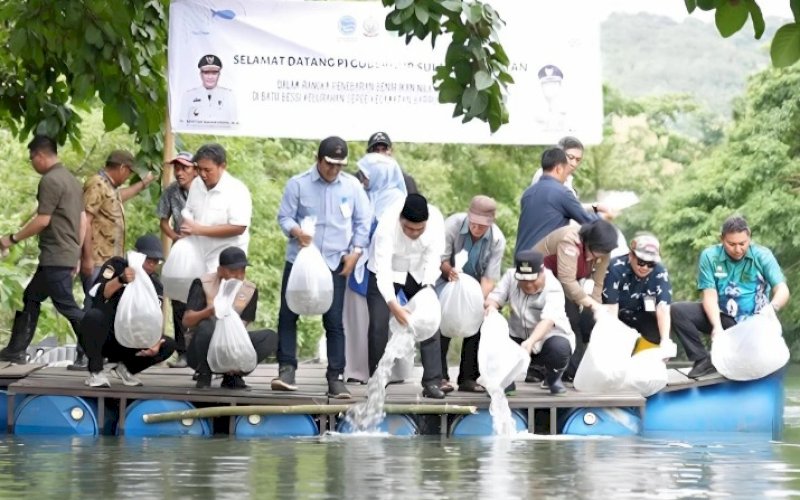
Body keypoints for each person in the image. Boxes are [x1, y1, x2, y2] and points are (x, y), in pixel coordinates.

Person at [272, 136, 371, 398]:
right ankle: (286, 369)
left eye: (340, 165)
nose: (334, 170)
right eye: (330, 164)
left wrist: (356, 253)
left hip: (335, 261)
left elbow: (363, 222)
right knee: (288, 314)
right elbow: (284, 217)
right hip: (300, 260)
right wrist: (295, 231)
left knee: (334, 320)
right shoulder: (298, 184)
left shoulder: (352, 187)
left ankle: (335, 377)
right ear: (319, 160)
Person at [0, 136, 86, 364]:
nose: (32, 164)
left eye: (31, 159)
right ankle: (15, 350)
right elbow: (82, 220)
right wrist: (77, 251)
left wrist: (12, 239)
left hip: (55, 254)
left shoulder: (50, 180)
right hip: (65, 252)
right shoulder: (72, 180)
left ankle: (94, 349)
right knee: (32, 297)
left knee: (67, 306)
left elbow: (43, 220)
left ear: (40, 155)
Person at [672, 215, 790, 378]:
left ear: (749, 238)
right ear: (722, 239)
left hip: (753, 323)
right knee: (677, 311)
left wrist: (771, 309)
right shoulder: (710, 256)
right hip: (724, 317)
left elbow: (782, 289)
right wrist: (717, 326)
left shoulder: (762, 255)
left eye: (742, 243)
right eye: (731, 244)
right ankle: (703, 360)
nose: (738, 249)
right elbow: (709, 294)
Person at [366, 193, 447, 399]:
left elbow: (433, 259)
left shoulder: (436, 221)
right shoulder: (386, 225)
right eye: (409, 228)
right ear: (401, 220)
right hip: (387, 271)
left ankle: (432, 381)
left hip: (418, 272)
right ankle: (377, 382)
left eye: (419, 229)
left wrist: (428, 288)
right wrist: (394, 306)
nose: (414, 233)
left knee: (430, 320)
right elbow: (382, 270)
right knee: (378, 323)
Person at [79, 235, 177, 388]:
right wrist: (121, 280)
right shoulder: (117, 265)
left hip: (132, 340)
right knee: (93, 317)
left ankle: (126, 368)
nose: (151, 264)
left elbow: (154, 318)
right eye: (148, 259)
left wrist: (154, 342)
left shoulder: (155, 285)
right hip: (106, 336)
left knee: (168, 344)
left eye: (155, 261)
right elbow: (99, 294)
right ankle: (96, 371)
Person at [344, 150, 407, 384]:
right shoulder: (365, 195)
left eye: (367, 174)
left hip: (388, 268)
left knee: (382, 322)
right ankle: (357, 370)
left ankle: (384, 373)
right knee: (359, 321)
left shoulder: (396, 200)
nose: (363, 179)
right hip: (362, 266)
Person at [182, 247, 277, 389]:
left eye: (242, 271)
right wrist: (208, 312)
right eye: (233, 271)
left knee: (269, 337)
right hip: (200, 350)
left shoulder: (249, 290)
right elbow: (187, 320)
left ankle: (233, 375)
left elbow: (242, 328)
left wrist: (233, 354)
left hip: (230, 346)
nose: (238, 276)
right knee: (207, 325)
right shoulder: (203, 283)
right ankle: (204, 373)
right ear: (220, 270)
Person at [534, 219, 618, 380]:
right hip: (541, 281)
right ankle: (572, 372)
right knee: (571, 320)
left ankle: (580, 367)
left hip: (563, 284)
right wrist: (590, 303)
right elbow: (567, 281)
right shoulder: (570, 241)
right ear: (589, 241)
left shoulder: (604, 251)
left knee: (589, 321)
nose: (599, 256)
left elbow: (598, 283)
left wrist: (595, 310)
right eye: (596, 252)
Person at [438, 195, 506, 393]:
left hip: (475, 286)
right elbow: (440, 259)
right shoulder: (452, 225)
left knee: (479, 320)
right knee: (441, 321)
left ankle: (468, 377)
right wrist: (449, 271)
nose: (476, 229)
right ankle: (439, 376)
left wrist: (477, 303)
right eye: (474, 224)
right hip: (446, 279)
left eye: (482, 226)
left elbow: (489, 277)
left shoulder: (496, 239)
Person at [485, 249, 574, 395]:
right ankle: (506, 382)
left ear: (542, 273)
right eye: (523, 279)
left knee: (559, 348)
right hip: (517, 334)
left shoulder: (553, 286)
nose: (527, 284)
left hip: (546, 338)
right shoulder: (510, 276)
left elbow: (548, 320)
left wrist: (531, 342)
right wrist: (491, 309)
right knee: (491, 333)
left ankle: (553, 379)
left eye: (532, 280)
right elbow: (494, 299)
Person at [82, 150, 155, 307]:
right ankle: (87, 331)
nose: (128, 177)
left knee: (106, 302)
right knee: (94, 300)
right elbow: (85, 221)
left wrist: (144, 183)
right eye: (129, 172)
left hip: (109, 260)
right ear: (122, 168)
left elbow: (119, 197)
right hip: (97, 259)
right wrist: (87, 258)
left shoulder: (109, 187)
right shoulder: (97, 184)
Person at [156, 151, 198, 368]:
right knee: (178, 299)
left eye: (185, 168)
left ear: (195, 170)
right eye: (177, 168)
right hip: (181, 249)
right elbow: (163, 220)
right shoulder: (171, 191)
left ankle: (200, 352)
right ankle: (183, 352)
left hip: (202, 249)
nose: (180, 172)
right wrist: (175, 236)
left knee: (201, 297)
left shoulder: (204, 190)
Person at [181, 143, 252, 272]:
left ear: (222, 166)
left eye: (208, 170)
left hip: (227, 263)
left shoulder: (237, 190)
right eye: (199, 169)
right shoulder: (196, 184)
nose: (202, 174)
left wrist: (200, 230)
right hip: (198, 257)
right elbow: (189, 209)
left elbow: (239, 227)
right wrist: (187, 222)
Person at [516, 147, 601, 254]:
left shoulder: (527, 193)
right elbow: (587, 221)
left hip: (521, 259)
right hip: (542, 263)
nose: (566, 178)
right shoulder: (562, 192)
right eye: (566, 173)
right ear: (559, 169)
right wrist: (603, 217)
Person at [602, 234, 675, 351]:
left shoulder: (660, 272)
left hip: (639, 313)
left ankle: (643, 359)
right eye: (641, 262)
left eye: (651, 264)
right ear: (631, 256)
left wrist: (665, 340)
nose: (645, 267)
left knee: (658, 330)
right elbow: (611, 308)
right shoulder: (615, 267)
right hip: (612, 313)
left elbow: (663, 308)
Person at [182, 54, 238, 127]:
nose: (210, 77)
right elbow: (182, 125)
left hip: (221, 138)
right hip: (196, 138)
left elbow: (234, 125)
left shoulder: (228, 96)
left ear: (219, 74)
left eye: (214, 73)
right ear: (200, 74)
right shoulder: (189, 96)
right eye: (206, 72)